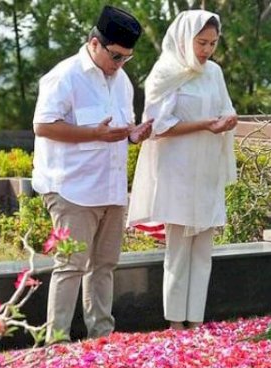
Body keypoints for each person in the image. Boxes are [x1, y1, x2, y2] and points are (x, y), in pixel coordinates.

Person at [32, 5, 152, 340]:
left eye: (126, 58)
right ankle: (56, 343)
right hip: (71, 187)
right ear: (94, 43)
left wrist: (133, 134)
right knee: (70, 266)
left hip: (111, 187)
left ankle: (101, 337)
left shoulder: (122, 80)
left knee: (105, 266)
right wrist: (94, 134)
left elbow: (118, 128)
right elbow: (42, 125)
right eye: (116, 56)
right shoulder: (64, 76)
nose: (120, 64)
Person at [127, 10, 238, 330]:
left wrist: (227, 120)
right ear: (185, 38)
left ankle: (197, 322)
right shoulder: (165, 72)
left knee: (203, 250)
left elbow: (226, 108)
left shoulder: (214, 72)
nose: (207, 50)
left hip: (207, 172)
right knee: (177, 251)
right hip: (176, 172)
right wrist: (206, 124)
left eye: (213, 43)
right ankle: (175, 323)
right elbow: (158, 126)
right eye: (201, 42)